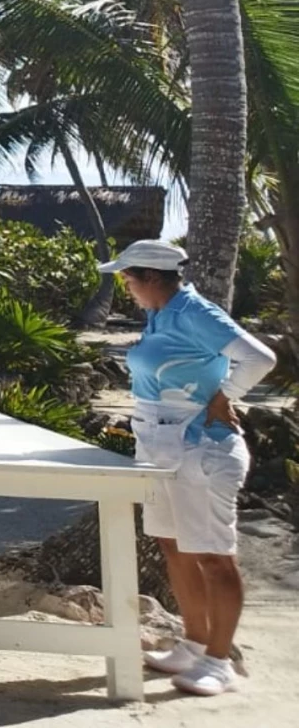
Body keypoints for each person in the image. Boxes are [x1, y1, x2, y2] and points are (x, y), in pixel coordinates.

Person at [106, 239, 276, 696]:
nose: (126, 287)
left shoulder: (194, 311)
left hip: (202, 447)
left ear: (153, 278)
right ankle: (194, 642)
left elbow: (260, 357)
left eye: (128, 278)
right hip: (160, 444)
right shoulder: (160, 313)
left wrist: (224, 397)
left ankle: (218, 661)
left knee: (214, 556)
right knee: (174, 545)